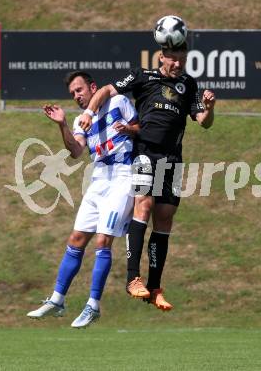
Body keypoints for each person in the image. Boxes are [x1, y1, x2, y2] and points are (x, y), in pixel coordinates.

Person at [79, 38, 215, 311]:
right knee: (144, 203)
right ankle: (133, 279)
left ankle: (154, 288)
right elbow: (108, 88)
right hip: (145, 153)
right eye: (173, 58)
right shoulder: (144, 76)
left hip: (173, 159)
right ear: (162, 57)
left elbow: (203, 123)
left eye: (182, 59)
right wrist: (89, 111)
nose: (178, 64)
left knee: (164, 219)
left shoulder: (188, 84)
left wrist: (210, 108)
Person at [27, 71, 139, 328]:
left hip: (122, 176)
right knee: (76, 239)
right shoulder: (81, 122)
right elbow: (76, 151)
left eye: (79, 90)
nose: (76, 96)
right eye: (72, 94)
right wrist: (62, 124)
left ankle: (93, 305)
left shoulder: (118, 102)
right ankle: (57, 300)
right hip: (98, 178)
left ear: (92, 87)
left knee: (103, 239)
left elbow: (142, 127)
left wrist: (129, 129)